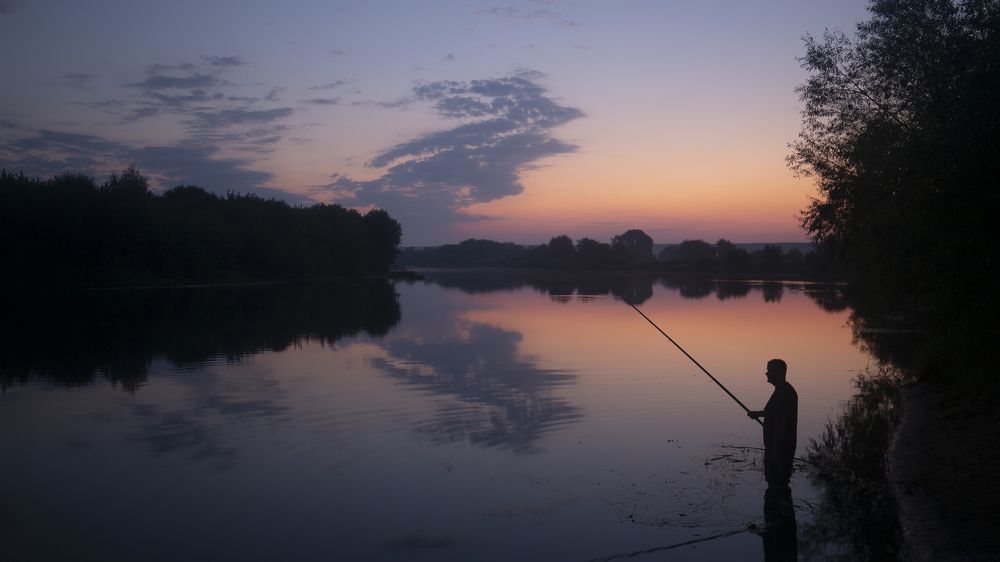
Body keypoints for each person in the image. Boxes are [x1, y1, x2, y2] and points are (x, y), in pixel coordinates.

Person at [748, 359, 798, 486]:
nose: (766, 374)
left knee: (777, 482)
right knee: (777, 483)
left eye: (769, 370)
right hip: (779, 446)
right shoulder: (782, 390)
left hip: (780, 448)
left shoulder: (784, 393)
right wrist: (757, 414)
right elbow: (774, 413)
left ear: (778, 372)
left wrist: (775, 450)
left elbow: (781, 423)